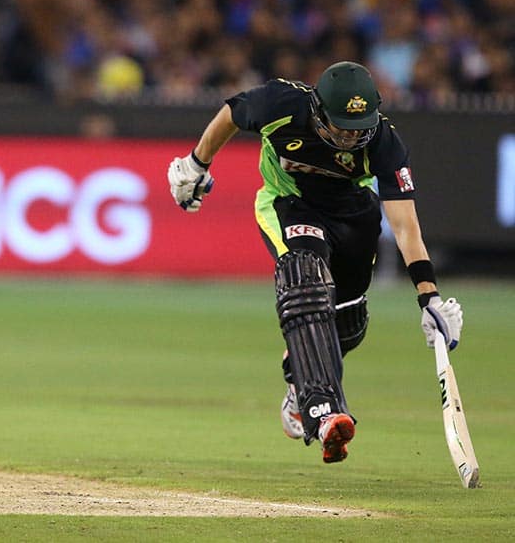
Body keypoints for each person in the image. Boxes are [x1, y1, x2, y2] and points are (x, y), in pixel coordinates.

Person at [166, 61, 464, 463]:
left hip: (353, 216)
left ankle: (299, 376)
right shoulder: (281, 104)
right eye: (341, 125)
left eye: (358, 128)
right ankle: (320, 410)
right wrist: (197, 163)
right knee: (305, 285)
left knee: (349, 323)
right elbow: (233, 112)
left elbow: (406, 227)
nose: (349, 136)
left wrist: (429, 297)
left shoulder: (385, 143)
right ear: (319, 109)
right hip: (289, 204)